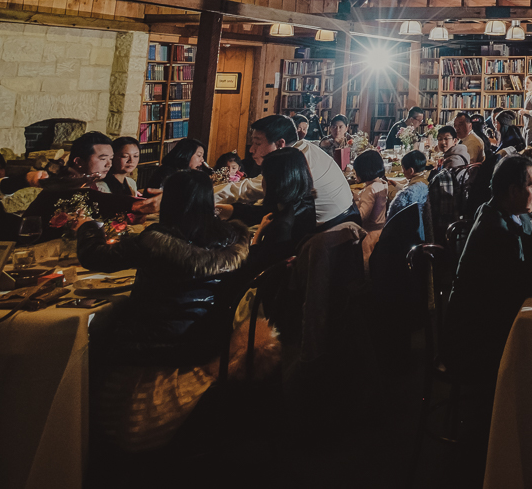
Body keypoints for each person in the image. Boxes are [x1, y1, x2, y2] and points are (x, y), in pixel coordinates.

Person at [71, 169, 255, 452]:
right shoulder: (234, 238)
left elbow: (96, 257)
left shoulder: (157, 239)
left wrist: (88, 227)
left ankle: (76, 431)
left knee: (93, 331)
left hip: (151, 341)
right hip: (210, 336)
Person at [443, 156, 532, 406]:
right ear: (513, 190)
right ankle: (522, 416)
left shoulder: (502, 211)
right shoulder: (496, 228)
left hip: (484, 322)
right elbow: (528, 284)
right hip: (477, 340)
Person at [216, 115, 355, 230]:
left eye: (257, 143)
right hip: (341, 221)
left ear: (279, 144)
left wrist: (204, 195)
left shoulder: (294, 162)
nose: (251, 149)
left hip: (326, 232)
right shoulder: (302, 148)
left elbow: (247, 189)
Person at [24, 132, 138, 240]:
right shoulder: (63, 188)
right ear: (78, 162)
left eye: (111, 159)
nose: (109, 164)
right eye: (103, 159)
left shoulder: (92, 183)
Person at [246, 147, 316, 273]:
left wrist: (258, 235)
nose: (262, 181)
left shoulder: (282, 225)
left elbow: (256, 267)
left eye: (264, 176)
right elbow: (264, 211)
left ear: (277, 180)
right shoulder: (304, 202)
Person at [388, 150, 431, 240]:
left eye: (403, 169)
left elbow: (403, 196)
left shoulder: (414, 188)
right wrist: (395, 184)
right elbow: (406, 188)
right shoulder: (423, 179)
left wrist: (388, 191)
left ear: (411, 170)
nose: (402, 171)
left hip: (411, 229)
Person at [352, 150, 391, 230]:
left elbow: (362, 216)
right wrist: (355, 196)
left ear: (364, 171)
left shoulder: (370, 189)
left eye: (356, 171)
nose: (355, 174)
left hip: (370, 231)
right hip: (381, 227)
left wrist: (352, 205)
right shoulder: (382, 183)